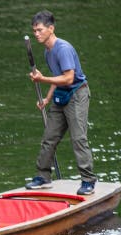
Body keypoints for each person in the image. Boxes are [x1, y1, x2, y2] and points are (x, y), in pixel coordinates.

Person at [25, 10, 96, 196]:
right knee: (49, 138)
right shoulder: (48, 52)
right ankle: (43, 177)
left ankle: (88, 180)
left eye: (40, 30)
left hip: (76, 94)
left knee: (78, 138)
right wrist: (47, 98)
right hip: (60, 96)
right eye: (34, 31)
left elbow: (69, 78)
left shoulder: (62, 48)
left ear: (51, 28)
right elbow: (57, 78)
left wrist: (42, 79)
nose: (36, 34)